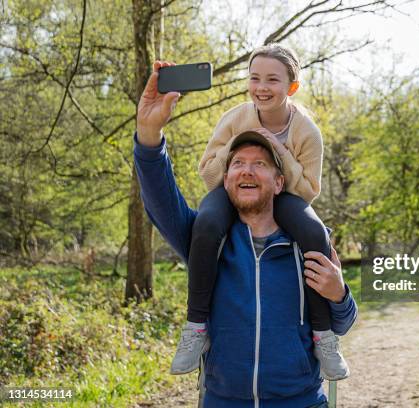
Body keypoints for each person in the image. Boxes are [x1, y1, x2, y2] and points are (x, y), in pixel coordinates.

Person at [134, 60, 358, 407]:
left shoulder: (307, 241)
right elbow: (160, 201)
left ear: (280, 182)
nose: (246, 171)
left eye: (260, 164)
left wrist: (339, 292)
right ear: (225, 180)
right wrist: (149, 136)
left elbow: (344, 322)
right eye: (237, 163)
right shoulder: (207, 239)